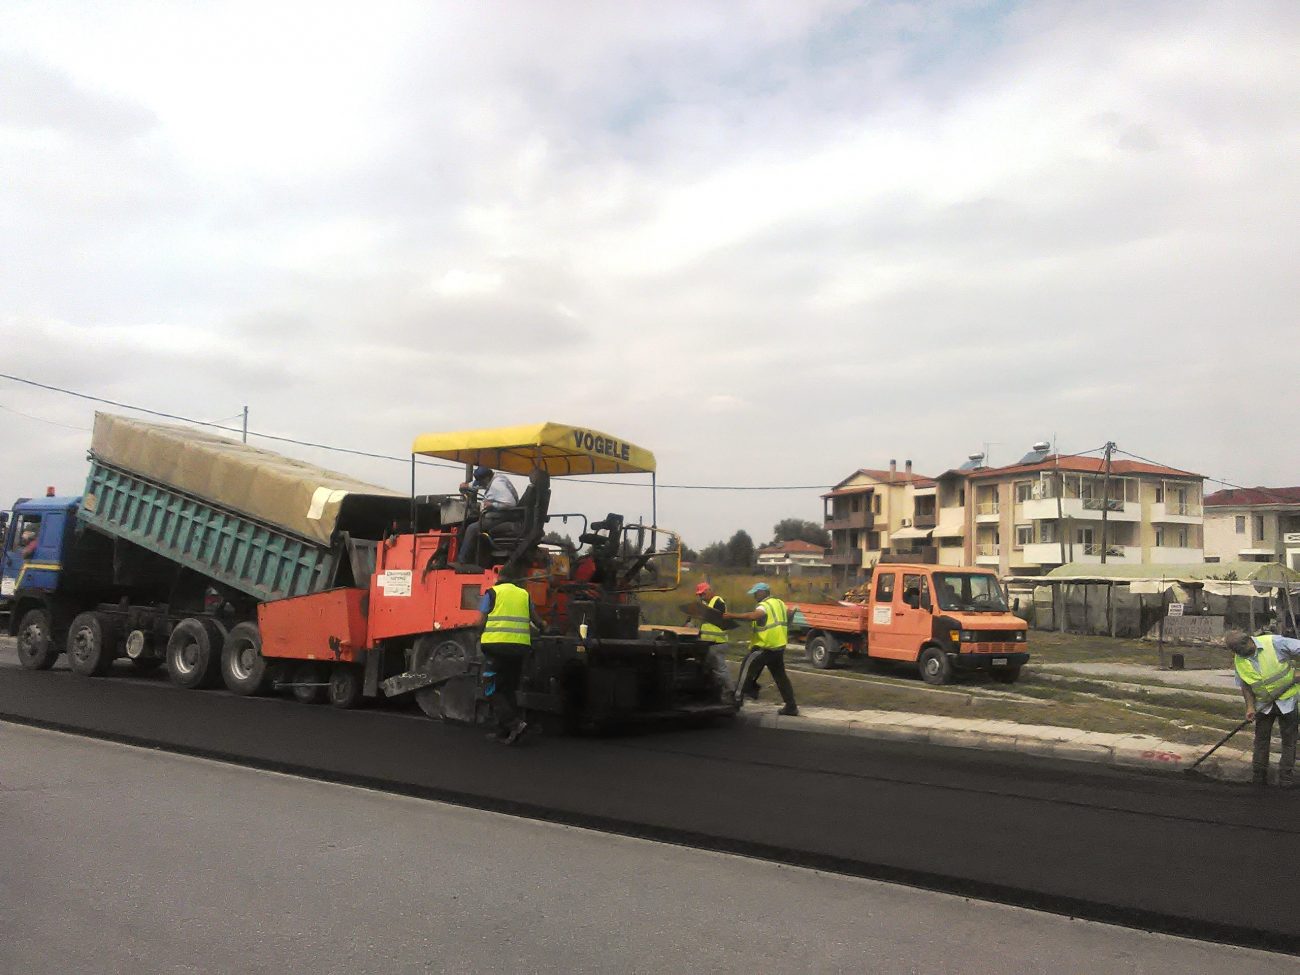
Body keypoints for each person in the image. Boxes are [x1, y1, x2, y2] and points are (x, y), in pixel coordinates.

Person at [476, 564, 543, 745]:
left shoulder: (491, 593)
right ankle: (502, 732)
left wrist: (478, 636)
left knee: (491, 690)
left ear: (499, 578)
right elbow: (537, 620)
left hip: (496, 648)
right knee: (508, 689)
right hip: (520, 649)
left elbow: (481, 621)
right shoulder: (524, 595)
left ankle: (515, 724)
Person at [1224, 629, 1300, 788]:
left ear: (1248, 641)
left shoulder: (1274, 643)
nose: (1239, 655)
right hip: (1263, 705)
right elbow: (1245, 685)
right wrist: (1250, 707)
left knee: (1289, 740)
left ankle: (1285, 776)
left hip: (1287, 701)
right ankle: (1259, 776)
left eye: (1240, 651)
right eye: (1236, 652)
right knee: (1261, 740)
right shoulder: (1239, 659)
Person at [727, 582, 798, 716]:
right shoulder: (779, 603)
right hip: (778, 648)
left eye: (755, 593)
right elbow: (789, 614)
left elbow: (753, 616)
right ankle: (791, 706)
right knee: (780, 677)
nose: (754, 596)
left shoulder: (764, 606)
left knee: (747, 665)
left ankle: (737, 699)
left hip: (765, 647)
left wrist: (731, 615)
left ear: (762, 593)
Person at [457, 466, 520, 567]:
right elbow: (477, 485)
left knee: (471, 528)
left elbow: (511, 503)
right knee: (475, 522)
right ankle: (476, 558)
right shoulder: (494, 479)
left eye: (481, 482)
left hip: (503, 516)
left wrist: (492, 505)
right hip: (499, 515)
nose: (481, 485)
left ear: (486, 478)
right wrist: (466, 486)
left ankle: (462, 561)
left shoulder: (497, 484)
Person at [694, 582, 733, 696]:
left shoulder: (718, 601)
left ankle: (731, 691)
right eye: (700, 595)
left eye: (703, 594)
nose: (701, 596)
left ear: (710, 590)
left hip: (717, 642)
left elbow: (717, 615)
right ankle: (715, 690)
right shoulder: (706, 603)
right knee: (709, 668)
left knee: (720, 668)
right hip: (708, 643)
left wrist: (701, 611)